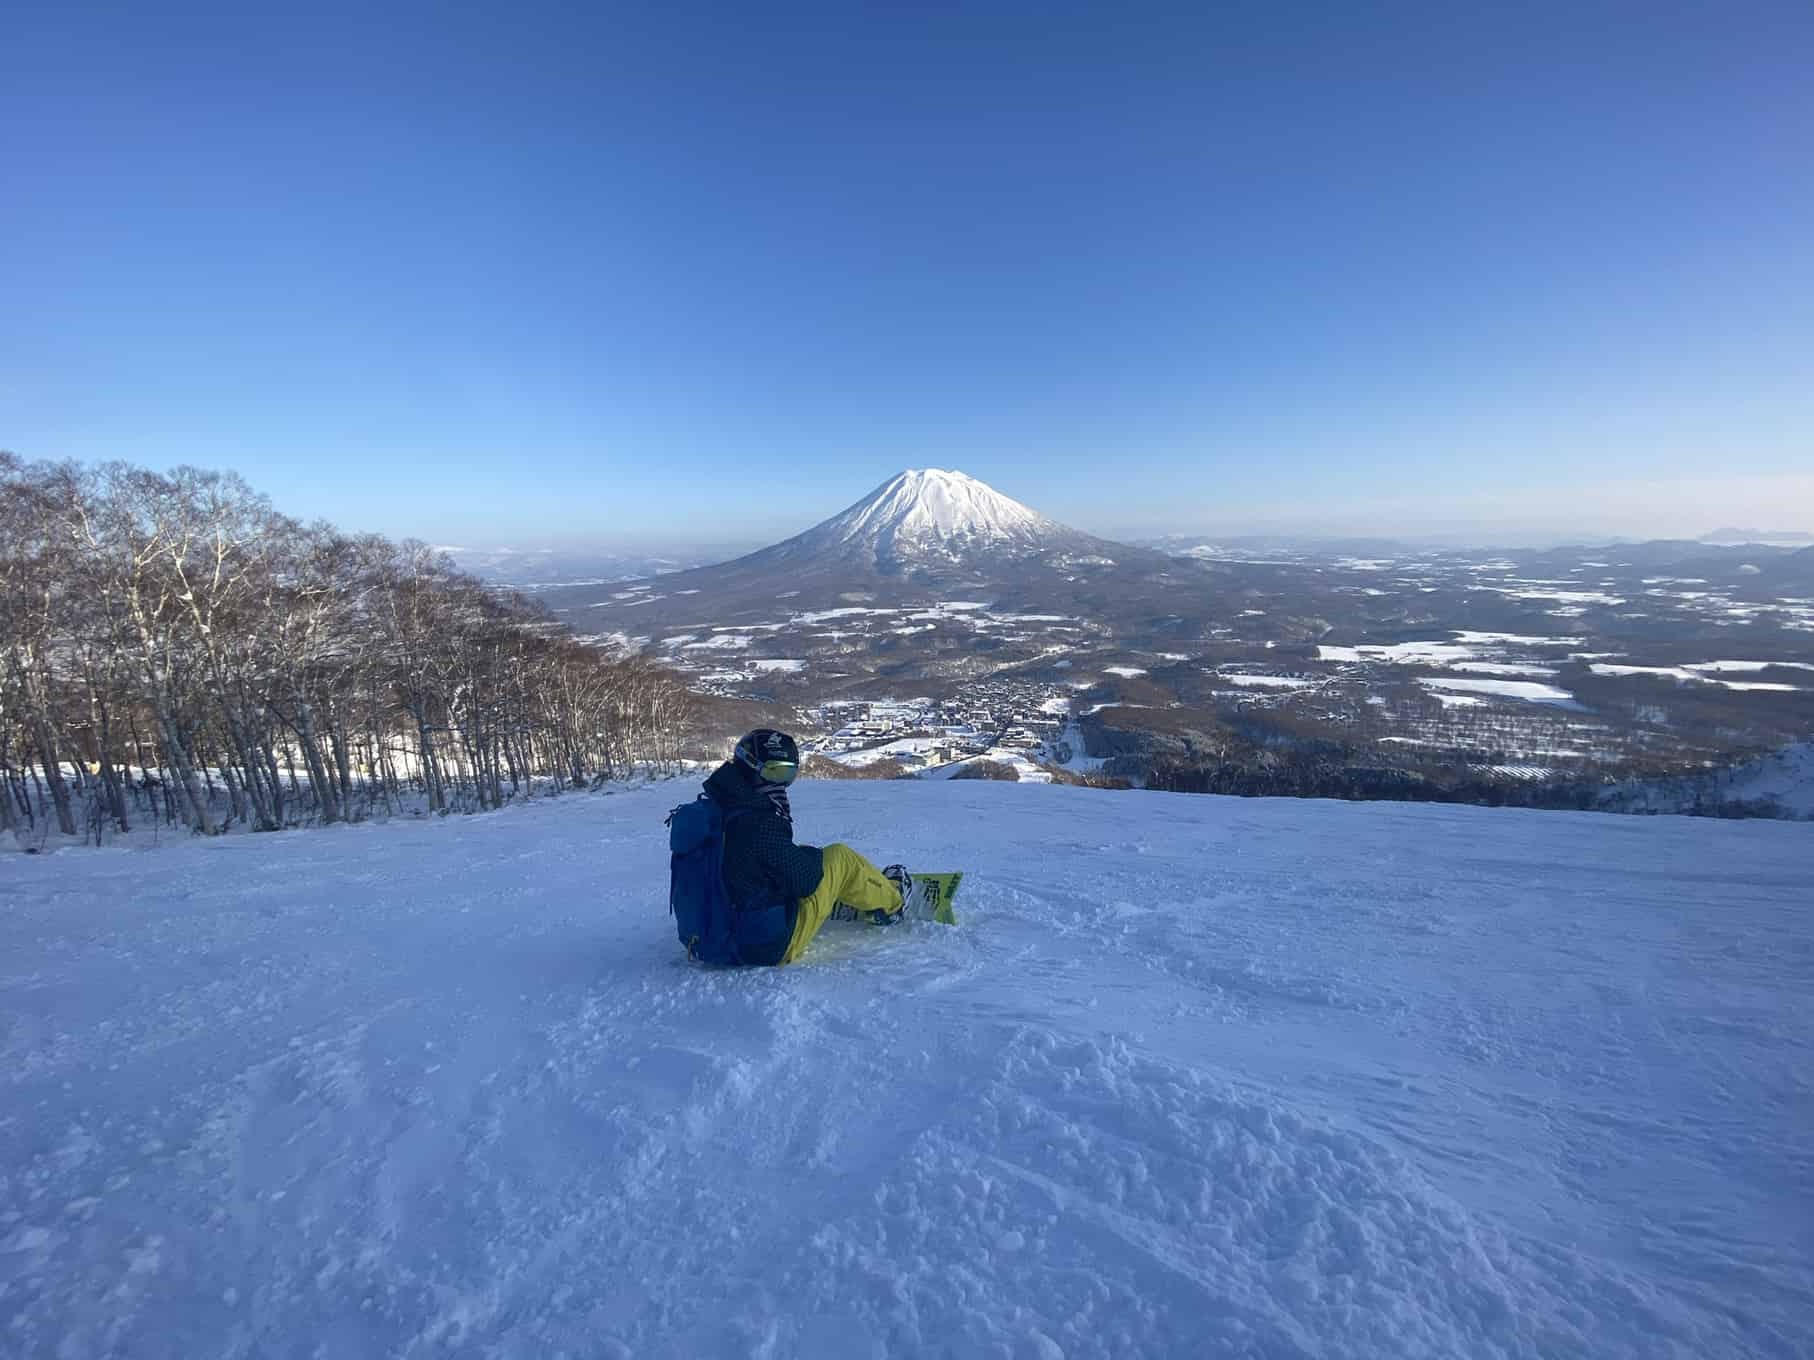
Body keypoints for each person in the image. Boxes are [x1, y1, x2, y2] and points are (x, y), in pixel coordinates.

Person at [702, 729, 911, 965]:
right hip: (765, 946)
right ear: (751, 766)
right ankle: (892, 903)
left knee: (794, 856)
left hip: (715, 931)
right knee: (840, 858)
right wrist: (812, 857)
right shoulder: (759, 821)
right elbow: (806, 881)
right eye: (775, 771)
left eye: (788, 773)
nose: (781, 783)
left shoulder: (719, 805)